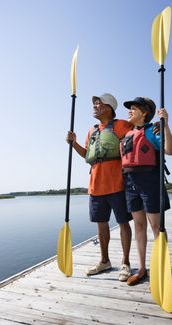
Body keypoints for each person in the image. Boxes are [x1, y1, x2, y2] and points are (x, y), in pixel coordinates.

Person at [66, 93, 133, 282]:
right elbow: (87, 154)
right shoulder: (92, 131)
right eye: (94, 103)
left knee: (123, 223)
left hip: (117, 184)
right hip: (95, 186)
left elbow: (138, 134)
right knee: (101, 225)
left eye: (98, 103)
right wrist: (74, 143)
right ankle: (104, 261)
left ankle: (126, 263)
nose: (94, 105)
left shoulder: (121, 125)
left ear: (108, 108)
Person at [120, 97, 172, 286]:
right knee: (139, 226)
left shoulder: (153, 130)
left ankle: (162, 266)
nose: (129, 111)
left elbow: (169, 150)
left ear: (144, 113)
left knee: (156, 226)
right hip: (130, 183)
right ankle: (142, 268)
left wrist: (165, 124)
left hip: (150, 181)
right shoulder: (127, 134)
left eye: (133, 108)